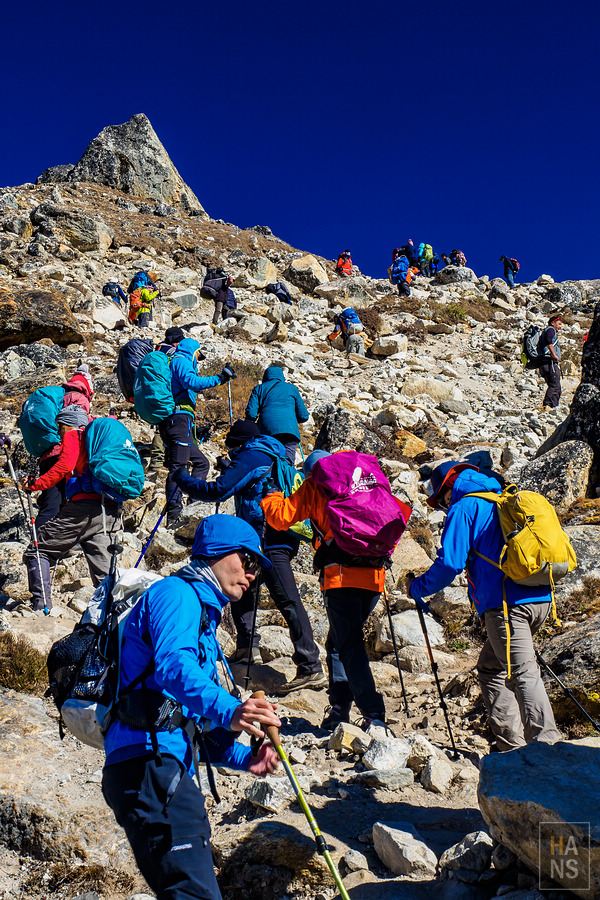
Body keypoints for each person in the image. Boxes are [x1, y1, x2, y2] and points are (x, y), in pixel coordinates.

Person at [102, 514, 281, 900]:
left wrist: (245, 759)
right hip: (148, 765)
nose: (251, 575)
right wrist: (233, 709)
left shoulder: (203, 617)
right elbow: (173, 668)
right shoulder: (177, 594)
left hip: (155, 768)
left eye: (257, 570)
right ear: (217, 552)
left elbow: (190, 722)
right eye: (248, 561)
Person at [406, 461, 562, 753]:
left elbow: (449, 564)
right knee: (491, 668)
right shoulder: (502, 498)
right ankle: (510, 746)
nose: (442, 506)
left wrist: (417, 588)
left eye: (440, 500)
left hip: (506, 606)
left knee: (523, 673)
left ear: (449, 489)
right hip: (540, 597)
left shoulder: (464, 508)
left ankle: (546, 747)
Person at [174, 421, 325, 692]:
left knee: (287, 598)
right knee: (244, 588)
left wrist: (182, 479)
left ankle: (310, 665)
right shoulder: (273, 454)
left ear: (238, 444)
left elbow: (217, 490)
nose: (231, 454)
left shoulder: (252, 455)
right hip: (276, 534)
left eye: (231, 449)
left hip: (268, 537)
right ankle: (246, 648)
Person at [262, 450, 391, 731]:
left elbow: (281, 518)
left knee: (348, 645)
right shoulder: (364, 479)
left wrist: (271, 493)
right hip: (375, 575)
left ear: (311, 472)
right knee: (337, 642)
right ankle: (339, 708)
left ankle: (373, 713)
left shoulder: (316, 484)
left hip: (341, 575)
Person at [21, 405, 120, 612]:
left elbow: (64, 465)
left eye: (60, 427)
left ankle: (41, 608)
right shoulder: (96, 441)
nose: (58, 433)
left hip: (82, 508)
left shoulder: (74, 435)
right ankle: (116, 617)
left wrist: (36, 484)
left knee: (38, 550)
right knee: (105, 574)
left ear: (67, 424)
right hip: (108, 509)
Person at [159, 338, 235, 527]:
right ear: (192, 351)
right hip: (178, 419)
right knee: (178, 467)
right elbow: (191, 381)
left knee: (201, 463)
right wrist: (220, 378)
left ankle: (194, 501)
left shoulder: (177, 362)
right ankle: (174, 514)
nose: (198, 360)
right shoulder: (181, 360)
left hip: (179, 421)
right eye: (198, 355)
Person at [34, 364, 94, 529]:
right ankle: (38, 547)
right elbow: (75, 424)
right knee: (54, 505)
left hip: (47, 454)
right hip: (60, 454)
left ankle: (49, 544)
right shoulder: (79, 398)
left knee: (52, 501)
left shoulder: (63, 395)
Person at [245, 366, 309, 464]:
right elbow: (304, 416)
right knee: (287, 464)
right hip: (290, 432)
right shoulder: (292, 388)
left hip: (267, 431)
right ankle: (286, 477)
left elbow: (251, 414)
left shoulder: (259, 389)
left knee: (268, 461)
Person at [149, 328, 185, 471]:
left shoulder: (158, 349)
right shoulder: (170, 351)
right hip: (166, 394)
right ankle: (157, 461)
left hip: (157, 392)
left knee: (162, 425)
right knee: (163, 426)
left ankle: (162, 459)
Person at [539, 315, 562, 408]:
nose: (560, 326)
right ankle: (547, 405)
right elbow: (549, 341)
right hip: (549, 362)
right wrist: (554, 354)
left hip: (544, 363)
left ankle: (554, 406)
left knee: (556, 386)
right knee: (555, 385)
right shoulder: (550, 330)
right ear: (553, 323)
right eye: (559, 324)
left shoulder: (547, 330)